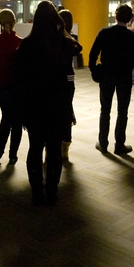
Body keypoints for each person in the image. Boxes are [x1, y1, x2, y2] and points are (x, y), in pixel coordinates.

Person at [16, 1, 82, 205]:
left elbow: (20, 78)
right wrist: (62, 29)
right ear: (55, 19)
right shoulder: (62, 43)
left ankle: (36, 191)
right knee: (54, 149)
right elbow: (78, 48)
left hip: (34, 103)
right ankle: (51, 190)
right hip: (57, 104)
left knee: (35, 147)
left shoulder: (27, 44)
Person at [89, 4, 134, 155]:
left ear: (115, 16)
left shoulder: (104, 32)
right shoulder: (132, 37)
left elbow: (93, 54)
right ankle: (119, 144)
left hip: (106, 75)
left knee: (105, 110)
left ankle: (103, 143)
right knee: (122, 111)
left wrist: (94, 71)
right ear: (130, 19)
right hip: (124, 77)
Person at [0, 9, 22, 164]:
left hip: (2, 84)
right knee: (17, 121)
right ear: (14, 22)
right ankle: (13, 155)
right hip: (17, 85)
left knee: (6, 118)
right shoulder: (20, 42)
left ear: (0, 22)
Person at [58, 9, 78, 160]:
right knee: (66, 109)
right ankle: (65, 147)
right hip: (68, 78)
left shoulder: (68, 38)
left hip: (61, 77)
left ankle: (61, 145)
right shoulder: (71, 38)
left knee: (64, 110)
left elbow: (78, 49)